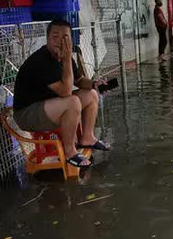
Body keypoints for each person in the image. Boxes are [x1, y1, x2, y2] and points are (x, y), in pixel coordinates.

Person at [12, 19, 111, 168]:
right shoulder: (41, 60)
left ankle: (87, 138)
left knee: (91, 94)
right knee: (72, 102)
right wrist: (66, 59)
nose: (60, 41)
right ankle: (69, 152)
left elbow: (79, 80)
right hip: (27, 114)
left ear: (71, 39)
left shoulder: (66, 57)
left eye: (65, 37)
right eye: (55, 37)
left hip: (47, 107)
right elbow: (65, 91)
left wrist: (95, 84)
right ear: (47, 39)